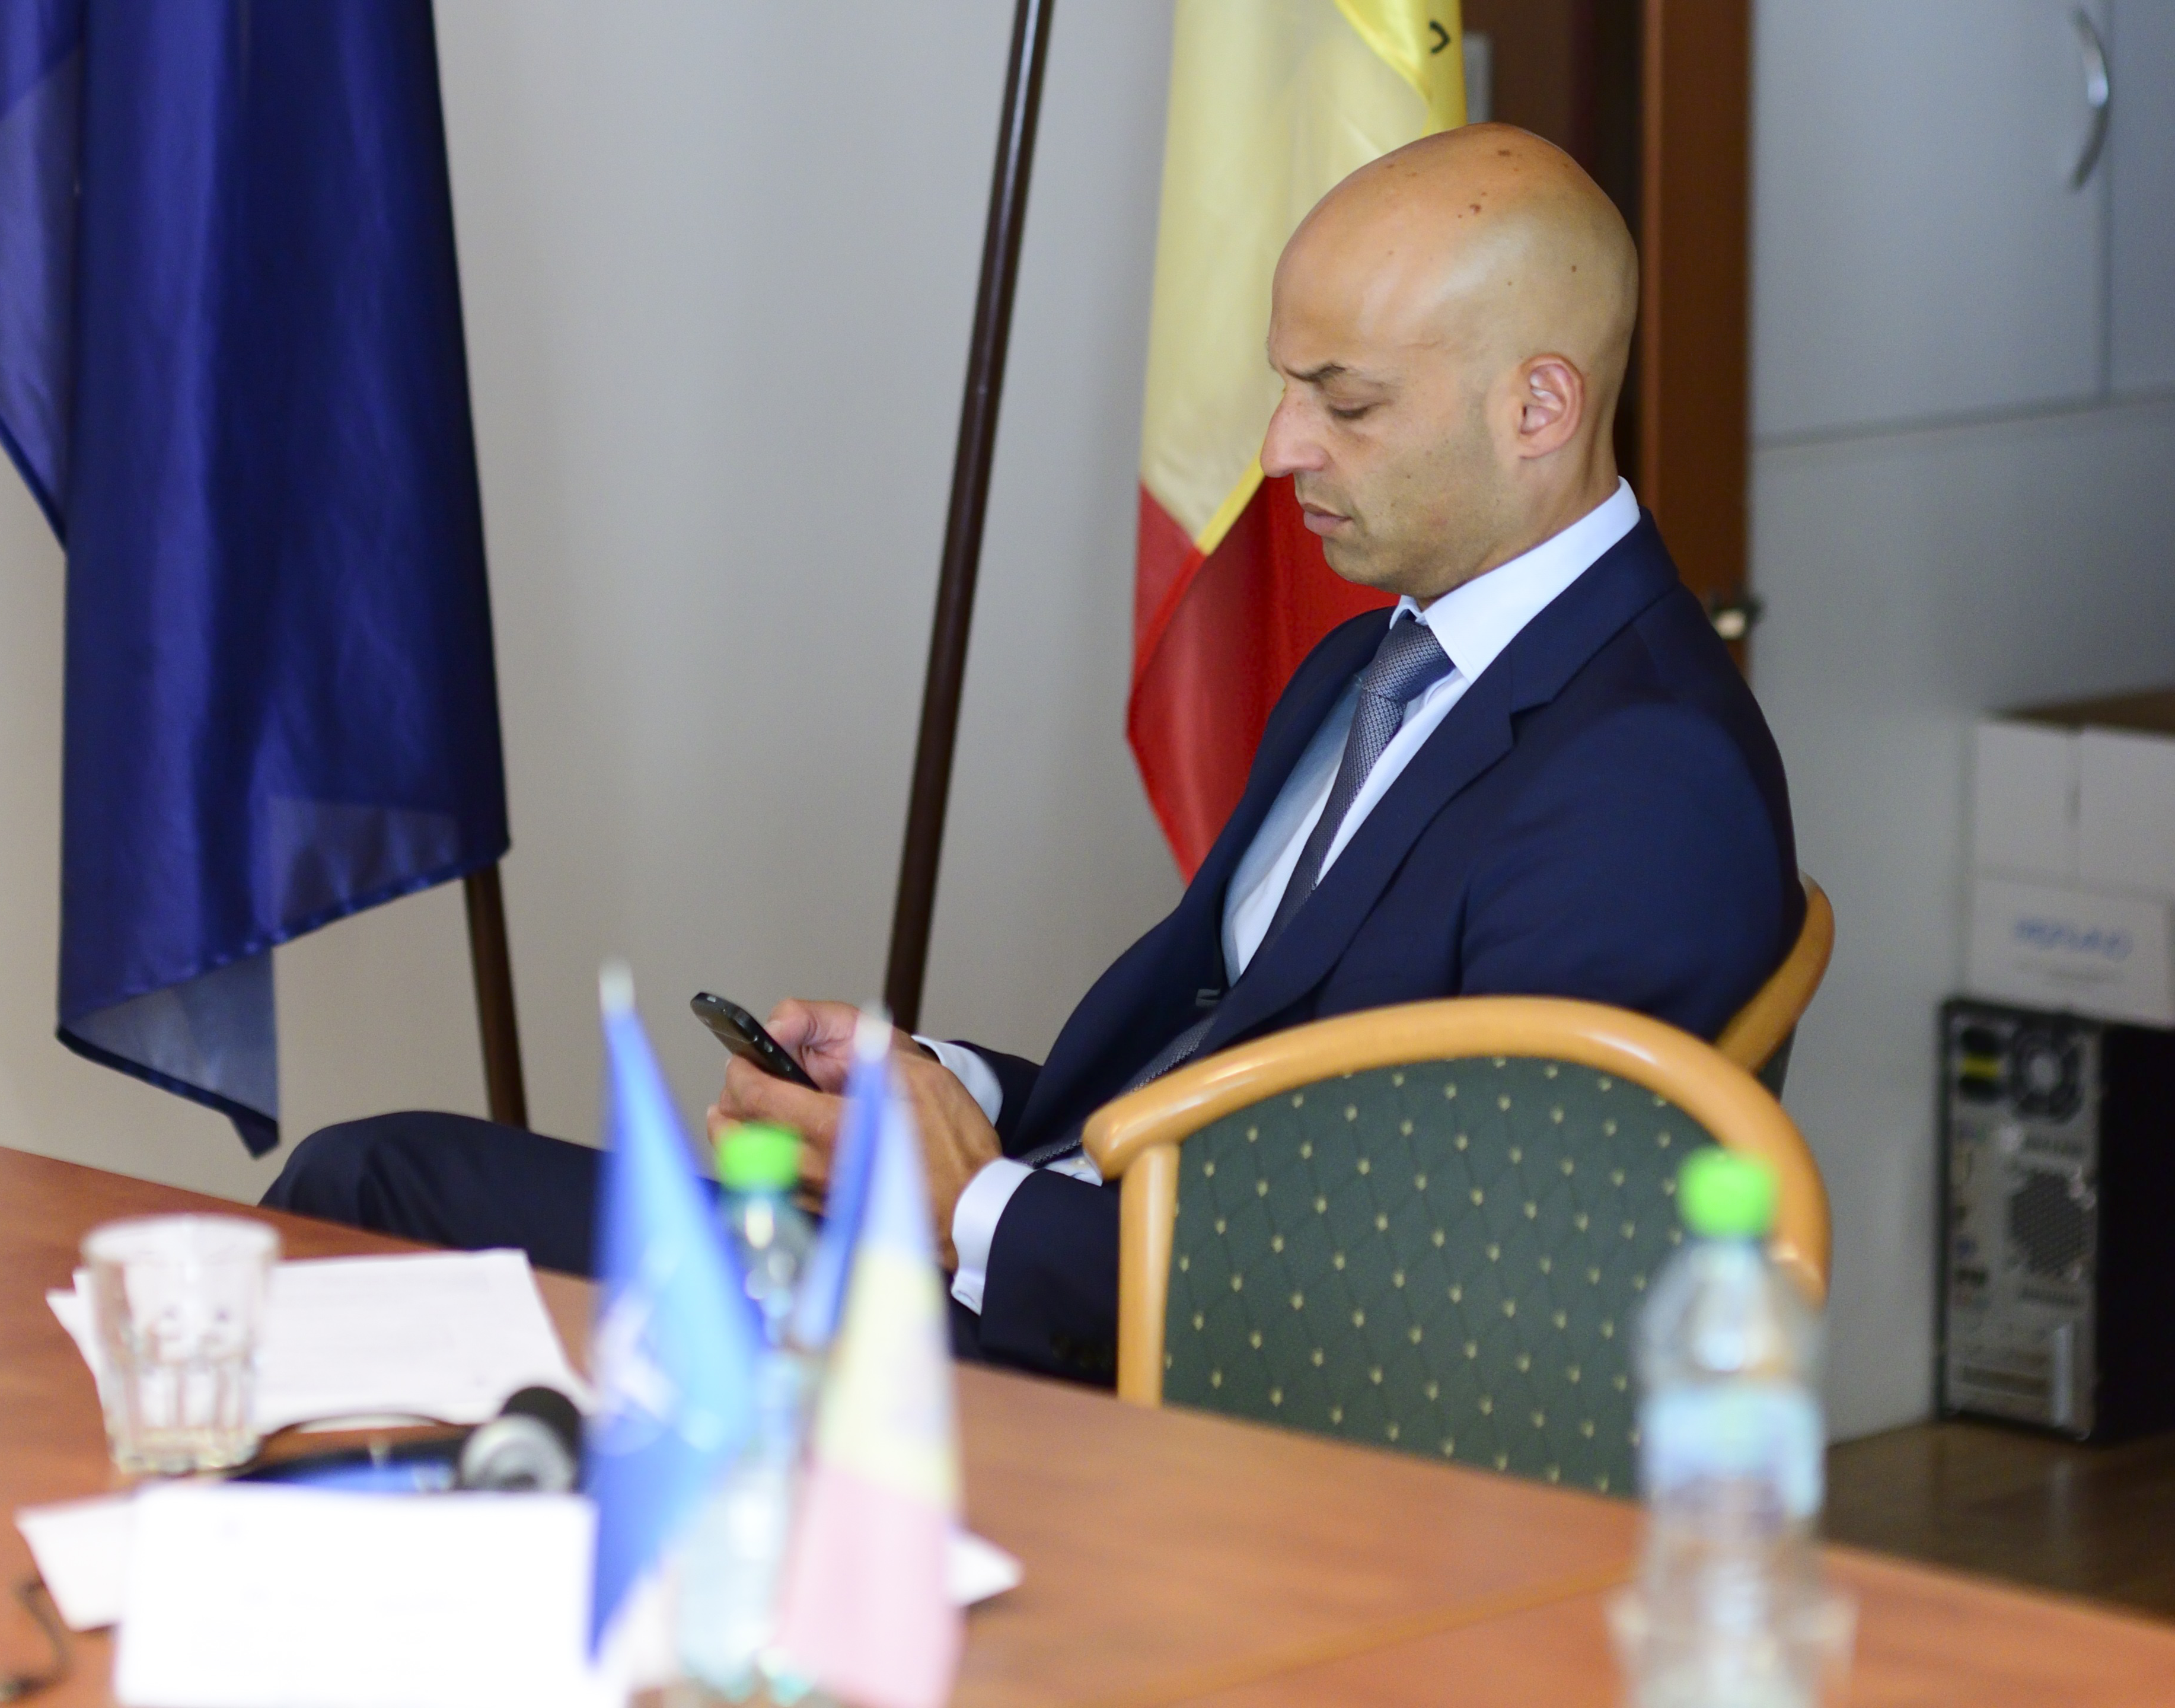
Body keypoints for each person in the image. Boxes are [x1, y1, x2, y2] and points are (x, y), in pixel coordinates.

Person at [267, 127, 1798, 1386]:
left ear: (1541, 405)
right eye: (1286, 386)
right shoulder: (1380, 659)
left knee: (380, 1200)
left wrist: (976, 1211)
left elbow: (1465, 1297)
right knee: (383, 1189)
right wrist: (937, 1095)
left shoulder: (1644, 781)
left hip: (1132, 1389)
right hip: (1038, 1272)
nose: (1282, 449)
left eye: (1346, 402)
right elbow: (1217, 1050)